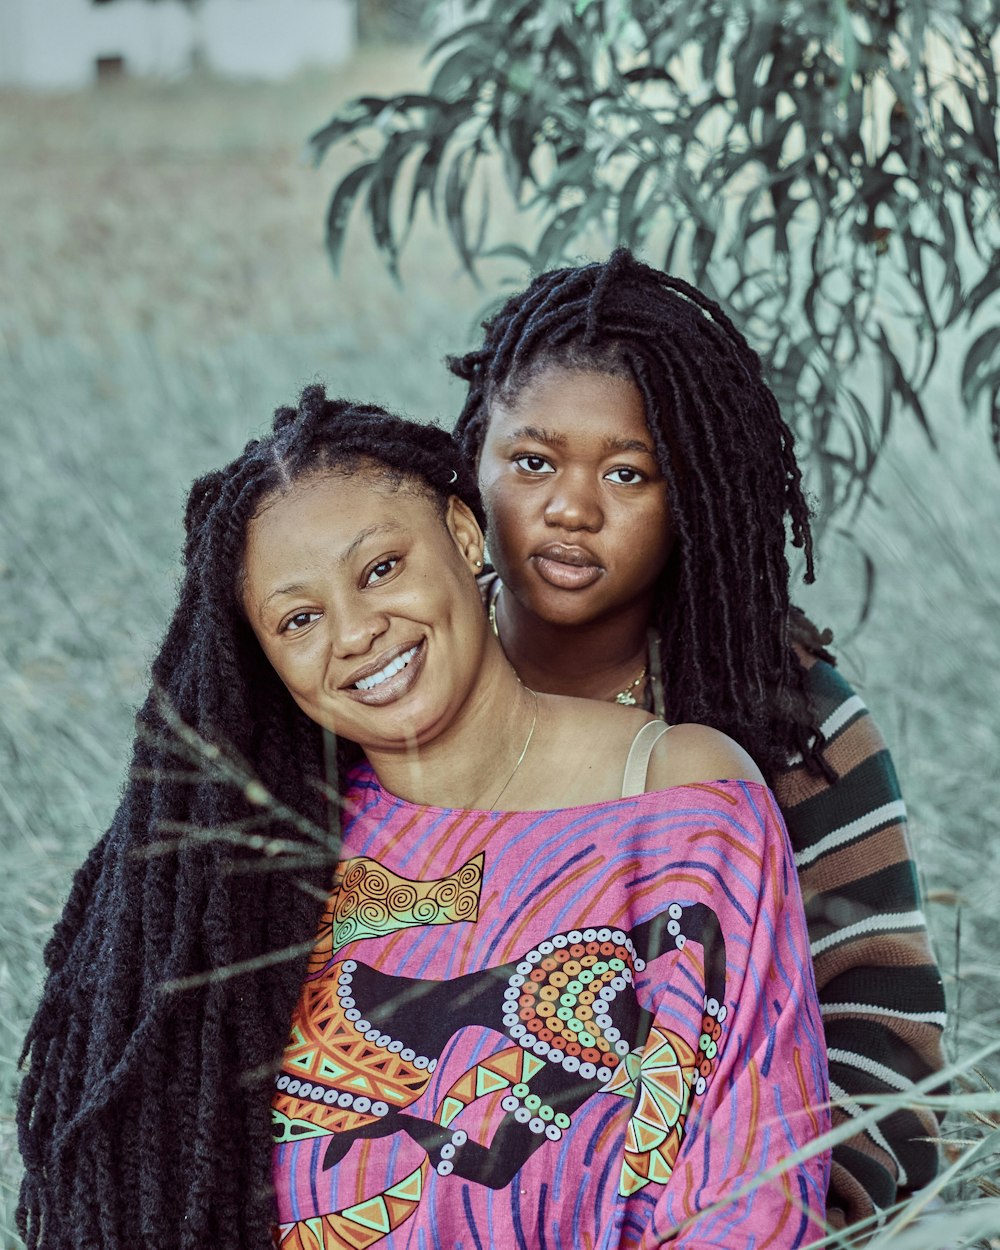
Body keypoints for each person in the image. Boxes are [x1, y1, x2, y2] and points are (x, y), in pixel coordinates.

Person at [19, 387, 828, 1250]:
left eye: (380, 570)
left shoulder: (674, 797)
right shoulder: (262, 873)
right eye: (300, 619)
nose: (358, 632)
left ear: (464, 533)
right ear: (267, 661)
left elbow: (754, 1181)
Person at [447, 247, 947, 1229]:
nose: (571, 505)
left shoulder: (777, 710)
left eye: (628, 472)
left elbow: (879, 1011)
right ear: (473, 456)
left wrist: (780, 1208)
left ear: (695, 501)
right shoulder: (404, 679)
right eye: (533, 459)